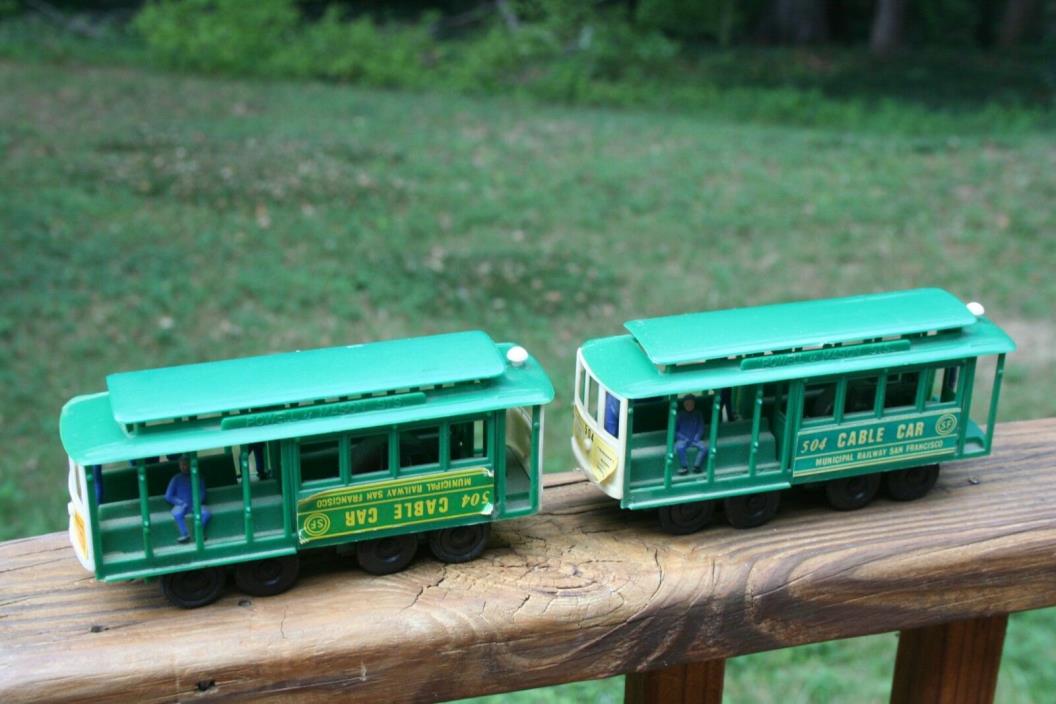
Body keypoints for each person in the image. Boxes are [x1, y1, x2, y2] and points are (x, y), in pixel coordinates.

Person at [164, 455, 211, 543]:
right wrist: (180, 503)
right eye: (182, 465)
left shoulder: (198, 477)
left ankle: (198, 533)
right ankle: (184, 534)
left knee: (206, 513)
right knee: (177, 514)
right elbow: (168, 496)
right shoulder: (176, 479)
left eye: (186, 465)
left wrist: (197, 502)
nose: (184, 467)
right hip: (181, 504)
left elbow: (203, 492)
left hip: (195, 504)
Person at [674, 396, 708, 475]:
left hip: (695, 439)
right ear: (684, 404)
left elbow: (701, 427)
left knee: (704, 448)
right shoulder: (680, 415)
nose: (689, 405)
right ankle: (684, 467)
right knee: (679, 447)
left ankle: (697, 466)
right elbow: (675, 431)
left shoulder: (698, 413)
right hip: (683, 440)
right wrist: (682, 438)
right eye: (687, 404)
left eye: (691, 403)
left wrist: (697, 436)